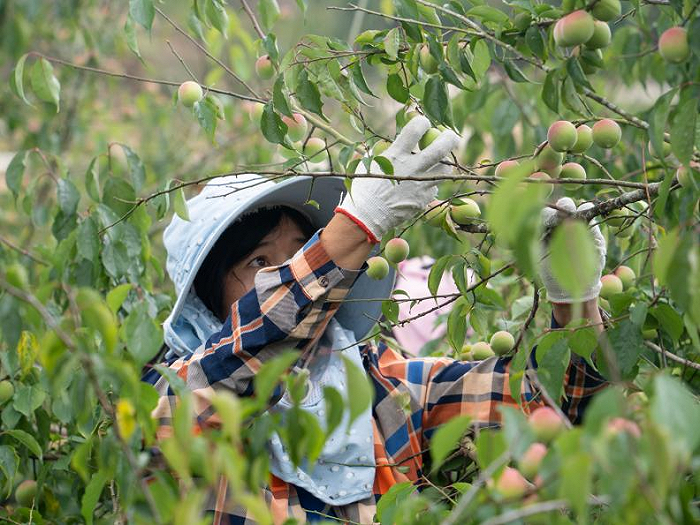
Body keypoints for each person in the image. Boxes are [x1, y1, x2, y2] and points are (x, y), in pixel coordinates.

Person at [147, 117, 608, 524]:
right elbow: (233, 365)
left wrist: (576, 298)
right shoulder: (170, 393)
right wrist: (356, 225)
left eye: (300, 251)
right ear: (210, 299)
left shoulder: (379, 384)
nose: (283, 274)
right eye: (257, 263)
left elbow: (550, 407)